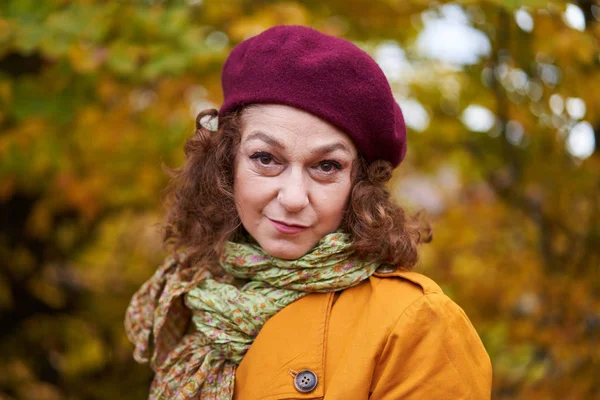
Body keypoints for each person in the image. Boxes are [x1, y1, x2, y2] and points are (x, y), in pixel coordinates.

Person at [125, 25, 492, 399]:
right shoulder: (195, 295)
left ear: (359, 185)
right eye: (266, 158)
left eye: (327, 166)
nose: (294, 197)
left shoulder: (416, 324)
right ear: (226, 165)